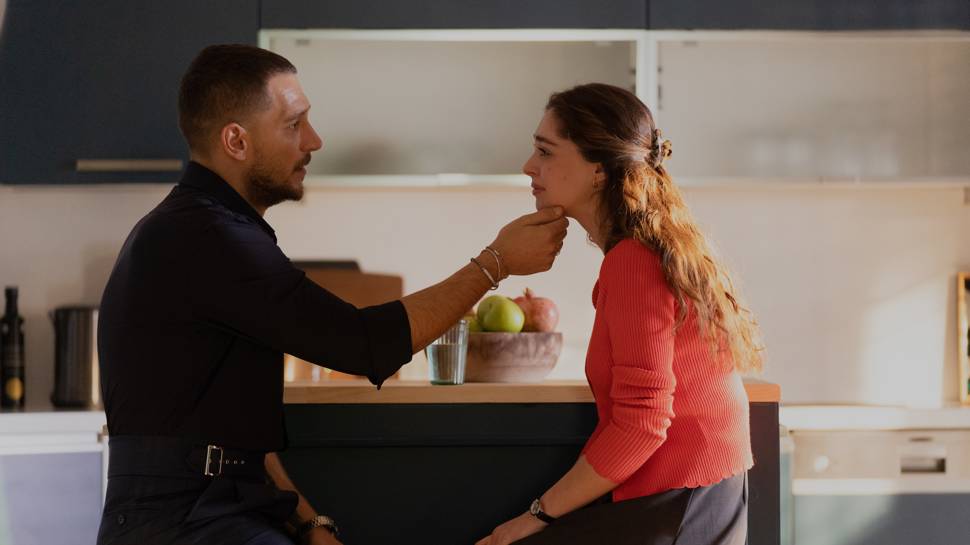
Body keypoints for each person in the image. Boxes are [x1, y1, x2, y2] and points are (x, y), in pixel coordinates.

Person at [95, 44, 568, 545]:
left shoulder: (208, 230)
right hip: (181, 522)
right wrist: (495, 262)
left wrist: (310, 523)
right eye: (293, 124)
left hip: (208, 509)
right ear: (236, 140)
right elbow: (361, 344)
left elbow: (234, 436)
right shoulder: (209, 238)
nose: (314, 140)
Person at [477, 83, 764, 545]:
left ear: (598, 170)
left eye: (545, 150)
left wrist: (534, 517)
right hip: (700, 488)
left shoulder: (632, 261)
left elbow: (642, 421)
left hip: (682, 500)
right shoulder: (643, 250)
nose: (529, 166)